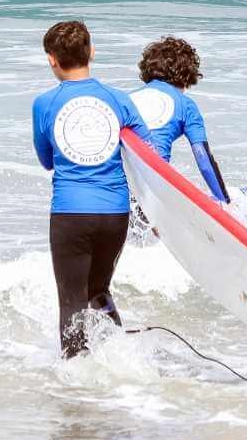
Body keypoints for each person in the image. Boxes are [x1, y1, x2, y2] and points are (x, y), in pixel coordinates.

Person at [31, 20, 151, 358]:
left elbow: (47, 160)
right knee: (98, 291)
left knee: (71, 300)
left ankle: (76, 381)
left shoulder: (44, 103)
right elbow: (149, 150)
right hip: (115, 213)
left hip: (70, 213)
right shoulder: (119, 99)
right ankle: (121, 359)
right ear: (92, 53)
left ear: (51, 60)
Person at [129, 37, 229, 203]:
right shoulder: (186, 106)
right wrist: (224, 201)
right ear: (188, 75)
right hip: (153, 184)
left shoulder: (127, 98)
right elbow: (203, 158)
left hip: (114, 184)